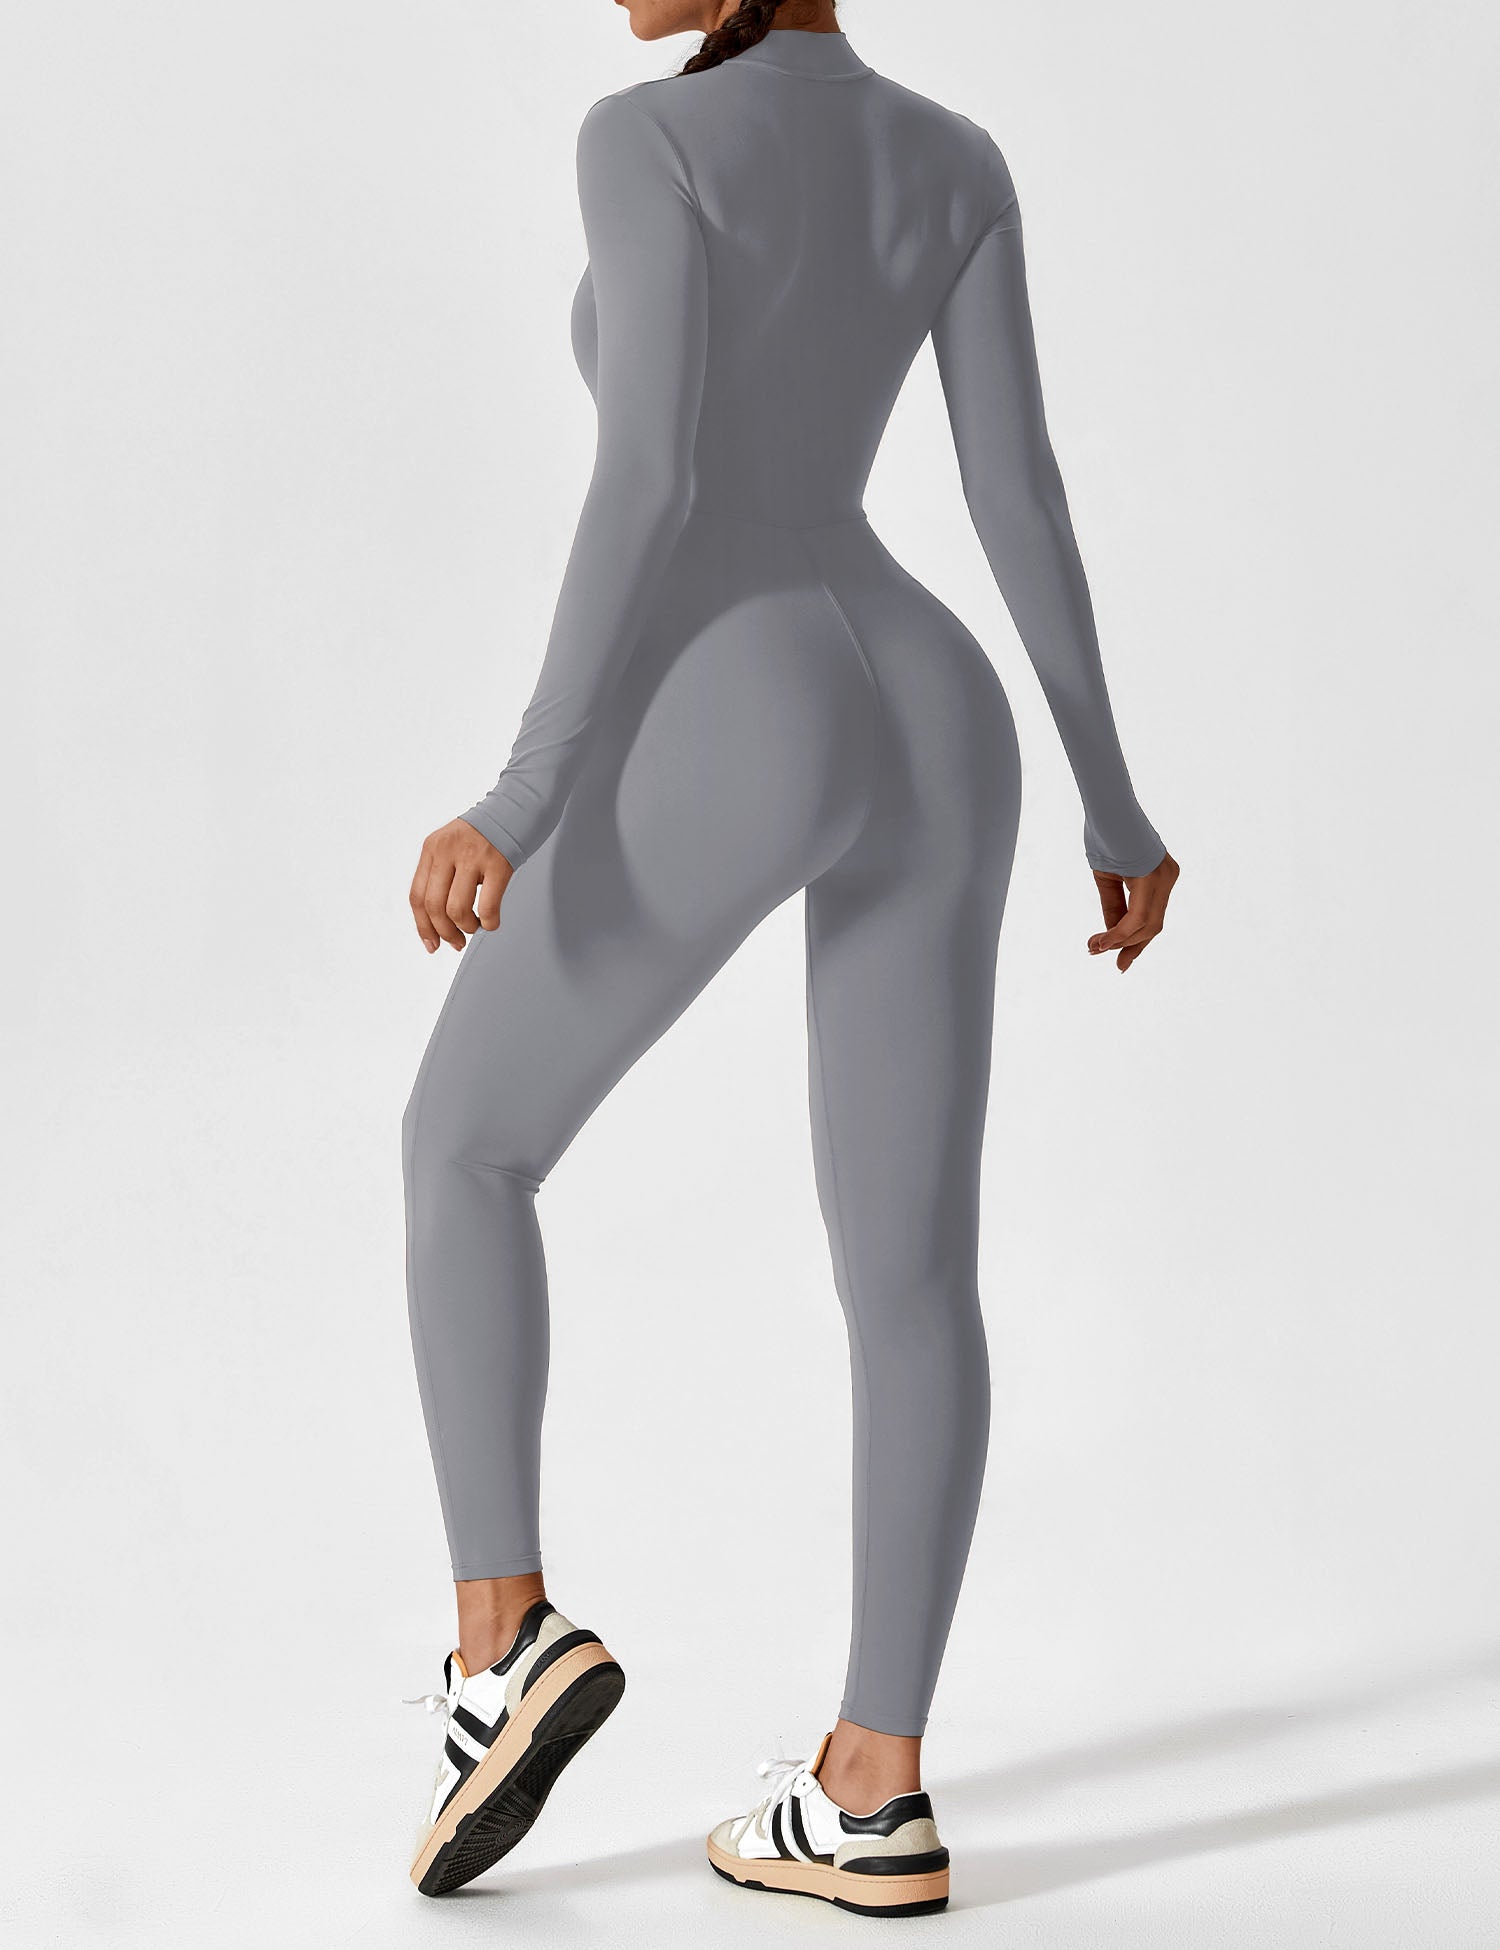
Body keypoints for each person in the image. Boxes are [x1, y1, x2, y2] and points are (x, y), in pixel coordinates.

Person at [400, 0, 1179, 1916]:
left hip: (744, 692)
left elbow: (652, 483)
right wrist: (1112, 799)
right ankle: (874, 1789)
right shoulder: (953, 160)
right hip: (939, 707)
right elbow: (1017, 493)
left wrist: (521, 793)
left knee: (461, 1148)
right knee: (912, 1275)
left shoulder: (645, 139)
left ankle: (503, 1645)